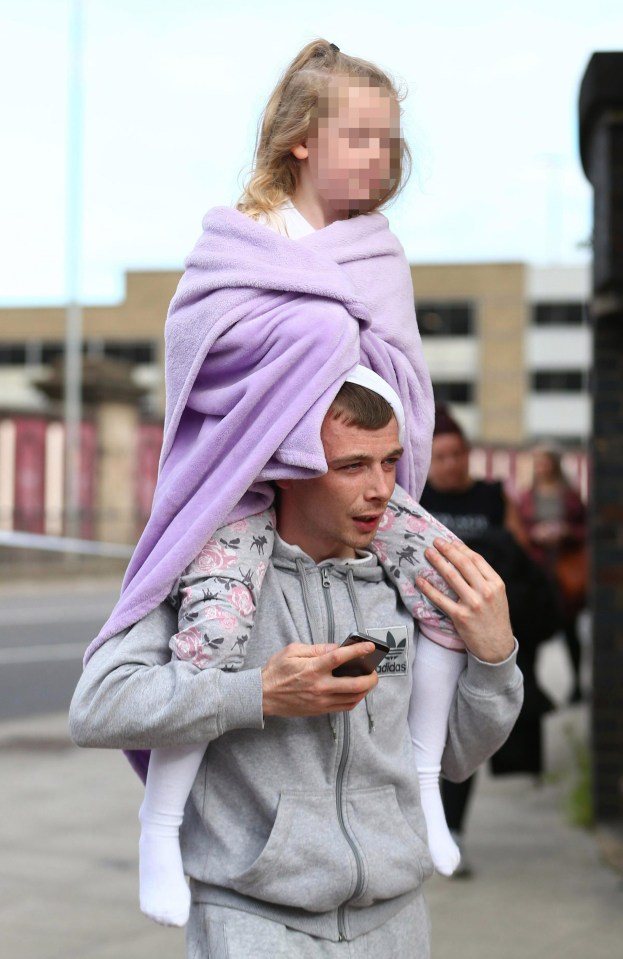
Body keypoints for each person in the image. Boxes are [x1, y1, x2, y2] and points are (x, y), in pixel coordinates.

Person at [75, 39, 475, 923]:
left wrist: (339, 365)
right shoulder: (239, 242)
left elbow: (400, 384)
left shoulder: (379, 252)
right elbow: (202, 364)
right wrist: (319, 344)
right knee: (208, 638)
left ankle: (422, 786)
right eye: (359, 137)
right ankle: (161, 821)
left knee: (449, 586)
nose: (378, 158)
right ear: (301, 138)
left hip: (343, 479)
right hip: (249, 486)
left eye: (389, 142)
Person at [70, 382, 523, 959]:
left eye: (390, 462)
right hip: (255, 922)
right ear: (288, 466)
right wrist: (259, 693)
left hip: (398, 920)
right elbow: (97, 708)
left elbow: (458, 757)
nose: (381, 490)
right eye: (352, 466)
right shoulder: (211, 583)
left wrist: (494, 657)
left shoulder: (405, 586)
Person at [420, 405, 557, 875]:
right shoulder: (414, 499)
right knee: (422, 733)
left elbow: (519, 559)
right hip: (426, 635)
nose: (451, 464)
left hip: (475, 636)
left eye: (458, 454)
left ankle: (452, 831)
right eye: (441, 456)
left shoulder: (493, 497)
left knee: (462, 736)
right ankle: (429, 824)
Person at [517, 444, 588, 703]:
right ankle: (533, 686)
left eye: (545, 462)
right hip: (538, 570)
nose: (541, 467)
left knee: (570, 629)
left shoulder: (570, 495)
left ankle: (577, 685)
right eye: (538, 462)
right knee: (534, 628)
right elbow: (518, 532)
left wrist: (566, 532)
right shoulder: (525, 495)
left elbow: (586, 528)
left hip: (565, 570)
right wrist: (535, 535)